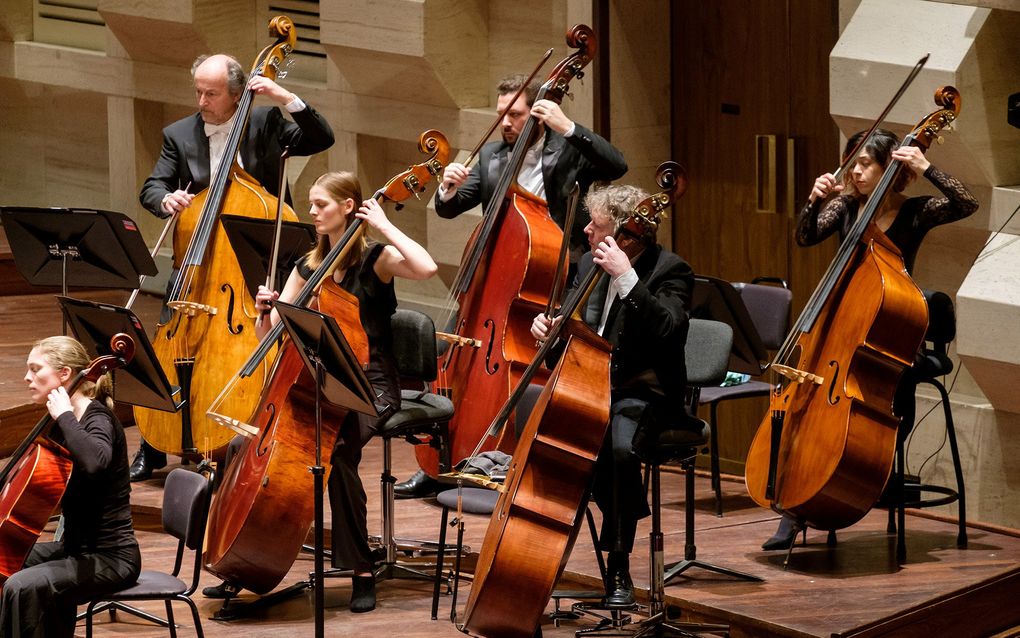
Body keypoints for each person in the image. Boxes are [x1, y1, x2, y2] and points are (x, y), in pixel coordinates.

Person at [205, 171, 437, 612]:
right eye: (311, 204)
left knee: (340, 455)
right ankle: (242, 562)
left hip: (368, 383)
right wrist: (262, 314)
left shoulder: (377, 261)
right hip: (315, 378)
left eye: (321, 204)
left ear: (349, 206)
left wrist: (384, 224)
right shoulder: (308, 267)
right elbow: (274, 334)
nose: (312, 212)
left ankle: (362, 570)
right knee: (242, 445)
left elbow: (426, 268)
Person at [395, 72, 628, 499]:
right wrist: (447, 190)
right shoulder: (493, 158)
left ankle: (518, 463)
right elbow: (452, 209)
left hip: (557, 272)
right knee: (459, 363)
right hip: (500, 280)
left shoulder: (567, 150)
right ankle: (439, 465)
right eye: (502, 114)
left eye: (515, 115)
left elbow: (617, 164)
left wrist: (567, 126)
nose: (506, 123)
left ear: (537, 114)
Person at [762, 128, 979, 551]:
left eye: (866, 163)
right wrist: (813, 201)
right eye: (853, 162)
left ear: (890, 169)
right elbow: (805, 237)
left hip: (890, 331)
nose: (856, 171)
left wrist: (927, 167)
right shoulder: (845, 207)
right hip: (840, 327)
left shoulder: (916, 212)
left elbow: (966, 203)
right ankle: (795, 507)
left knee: (890, 392)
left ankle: (866, 471)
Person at [130, 52, 335, 481]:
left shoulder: (265, 125)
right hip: (199, 268)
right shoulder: (179, 133)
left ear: (238, 94)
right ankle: (152, 443)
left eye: (212, 93)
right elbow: (153, 186)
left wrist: (284, 97)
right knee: (163, 345)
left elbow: (320, 138)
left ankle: (251, 436)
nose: (202, 100)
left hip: (252, 265)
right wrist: (165, 200)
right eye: (198, 91)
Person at [531, 184, 695, 606]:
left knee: (618, 450)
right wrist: (549, 331)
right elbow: (573, 323)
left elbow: (667, 329)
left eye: (596, 224)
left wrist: (627, 277)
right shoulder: (587, 261)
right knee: (559, 442)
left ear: (626, 235)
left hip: (646, 394)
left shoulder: (671, 271)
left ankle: (619, 565)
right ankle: (536, 559)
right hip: (590, 386)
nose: (585, 230)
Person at [2, 336, 141, 637]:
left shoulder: (97, 418)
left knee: (21, 584)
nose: (27, 378)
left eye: (36, 369)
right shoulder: (60, 423)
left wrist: (65, 415)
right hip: (75, 549)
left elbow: (95, 462)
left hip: (112, 557)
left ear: (65, 374)